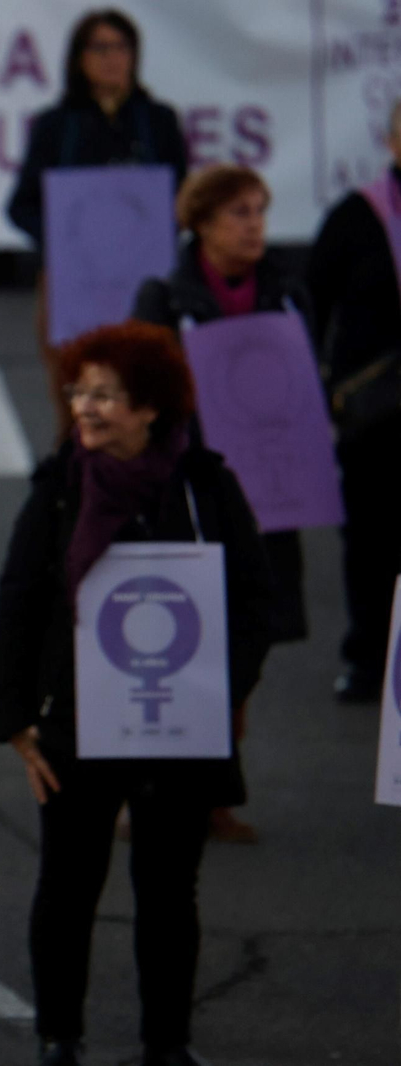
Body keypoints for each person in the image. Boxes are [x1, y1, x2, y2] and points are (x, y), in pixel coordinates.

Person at [0, 323, 274, 1066]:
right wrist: (16, 720)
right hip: (78, 723)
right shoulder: (60, 489)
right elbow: (18, 598)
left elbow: (253, 601)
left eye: (105, 394)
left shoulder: (207, 486)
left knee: (170, 892)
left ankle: (168, 1042)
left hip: (182, 724)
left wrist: (221, 689)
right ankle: (59, 1034)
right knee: (68, 884)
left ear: (151, 408)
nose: (85, 406)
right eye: (80, 390)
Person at [132, 166, 312, 842]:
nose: (254, 224)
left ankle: (212, 785)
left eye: (261, 211)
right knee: (186, 639)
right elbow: (140, 389)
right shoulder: (165, 297)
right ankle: (162, 787)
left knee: (250, 636)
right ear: (202, 224)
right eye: (239, 212)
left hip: (269, 494)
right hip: (191, 493)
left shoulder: (288, 295)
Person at [5, 9, 188, 437]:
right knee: (78, 408)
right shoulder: (57, 125)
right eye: (100, 48)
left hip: (145, 282)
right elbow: (22, 206)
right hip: (74, 287)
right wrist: (66, 245)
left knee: (147, 401)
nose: (112, 58)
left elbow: (179, 199)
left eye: (121, 47)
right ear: (79, 58)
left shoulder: (158, 121)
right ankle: (74, 495)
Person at [305, 98, 401, 704]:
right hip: (376, 412)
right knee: (370, 537)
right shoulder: (356, 216)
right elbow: (313, 308)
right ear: (392, 140)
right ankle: (367, 655)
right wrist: (317, 395)